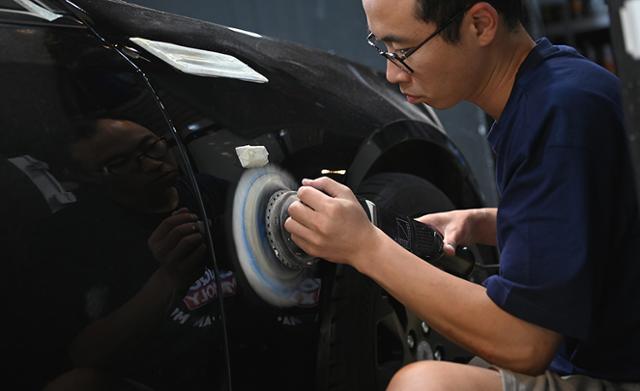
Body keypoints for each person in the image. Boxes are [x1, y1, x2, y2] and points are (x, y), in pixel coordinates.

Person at [284, 0, 640, 390]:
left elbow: (526, 342)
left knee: (424, 385)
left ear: (480, 24)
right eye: (382, 48)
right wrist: (486, 222)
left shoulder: (558, 114)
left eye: (402, 51)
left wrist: (364, 248)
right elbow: (598, 220)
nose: (391, 73)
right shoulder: (560, 86)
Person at [18, 118, 231, 390]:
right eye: (119, 163)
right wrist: (168, 279)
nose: (153, 163)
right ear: (86, 178)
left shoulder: (205, 189)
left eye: (152, 146)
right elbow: (82, 356)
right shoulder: (72, 238)